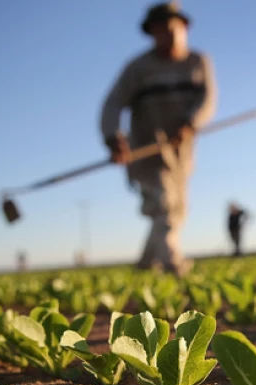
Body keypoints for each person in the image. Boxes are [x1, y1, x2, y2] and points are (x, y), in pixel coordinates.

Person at [100, 3, 216, 276]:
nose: (169, 34)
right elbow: (112, 104)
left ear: (185, 28)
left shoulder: (198, 62)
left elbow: (207, 100)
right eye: (161, 29)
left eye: (174, 28)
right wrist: (113, 137)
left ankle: (145, 264)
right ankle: (172, 264)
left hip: (181, 154)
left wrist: (191, 123)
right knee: (164, 205)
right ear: (152, 32)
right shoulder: (138, 69)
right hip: (146, 152)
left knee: (176, 209)